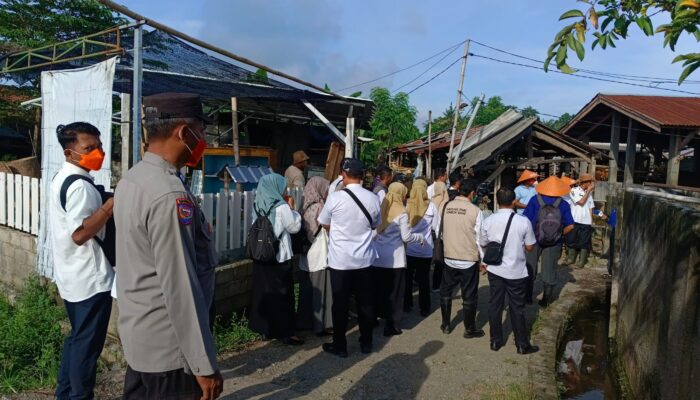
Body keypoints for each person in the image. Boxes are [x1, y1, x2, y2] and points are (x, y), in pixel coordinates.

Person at [115, 93, 222, 399]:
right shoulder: (169, 195)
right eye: (201, 132)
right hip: (170, 353)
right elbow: (180, 286)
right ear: (184, 133)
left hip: (141, 341)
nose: (203, 140)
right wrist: (203, 365)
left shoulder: (132, 180)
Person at [49, 122, 114, 400]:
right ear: (69, 152)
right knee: (87, 348)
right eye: (89, 148)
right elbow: (79, 234)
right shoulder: (81, 187)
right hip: (90, 279)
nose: (98, 152)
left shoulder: (61, 177)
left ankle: (65, 393)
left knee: (77, 339)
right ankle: (79, 396)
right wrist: (110, 206)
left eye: (99, 146)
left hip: (71, 275)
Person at [317, 158, 381, 357]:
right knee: (366, 303)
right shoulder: (373, 198)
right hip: (365, 260)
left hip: (341, 261)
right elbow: (374, 225)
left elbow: (324, 223)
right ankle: (366, 343)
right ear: (362, 176)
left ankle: (340, 345)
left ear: (344, 175)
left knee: (340, 304)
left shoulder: (335, 198)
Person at [479, 187, 539, 355]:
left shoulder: (489, 220)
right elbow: (529, 246)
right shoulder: (523, 221)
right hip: (516, 271)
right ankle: (521, 344)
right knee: (517, 307)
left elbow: (483, 243)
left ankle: (495, 341)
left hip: (495, 270)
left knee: (495, 304)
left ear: (497, 201)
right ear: (514, 202)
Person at [248, 173, 304, 345]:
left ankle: (266, 329)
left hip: (261, 255)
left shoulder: (258, 204)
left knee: (264, 293)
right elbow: (294, 228)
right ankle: (287, 333)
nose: (285, 189)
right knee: (283, 295)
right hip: (278, 255)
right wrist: (293, 209)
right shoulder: (281, 206)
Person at [372, 182, 424, 336]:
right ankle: (391, 325)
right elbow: (406, 237)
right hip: (395, 260)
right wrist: (419, 237)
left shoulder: (381, 208)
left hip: (378, 257)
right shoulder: (402, 212)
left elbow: (374, 233)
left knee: (379, 290)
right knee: (395, 293)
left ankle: (375, 318)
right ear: (401, 194)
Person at [439, 179, 485, 338]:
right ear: (472, 193)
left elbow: (440, 229)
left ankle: (445, 324)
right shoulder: (476, 211)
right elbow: (480, 239)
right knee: (469, 294)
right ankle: (469, 329)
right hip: (468, 259)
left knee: (446, 291)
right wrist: (483, 261)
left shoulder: (446, 207)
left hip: (449, 256)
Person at [523, 176, 575, 308]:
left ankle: (527, 298)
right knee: (550, 269)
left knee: (530, 267)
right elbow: (570, 226)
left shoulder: (535, 200)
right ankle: (546, 300)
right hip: (555, 242)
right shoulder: (563, 204)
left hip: (533, 240)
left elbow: (526, 220)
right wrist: (559, 235)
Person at [297, 176, 333, 336]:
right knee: (321, 290)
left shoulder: (303, 206)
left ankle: (304, 322)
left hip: (306, 254)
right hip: (319, 253)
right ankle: (320, 326)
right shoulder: (320, 207)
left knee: (306, 290)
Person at [405, 179, 439, 316]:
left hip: (408, 248)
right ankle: (424, 308)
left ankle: (407, 305)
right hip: (425, 248)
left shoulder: (406, 205)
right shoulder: (431, 207)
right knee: (424, 280)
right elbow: (436, 227)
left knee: (407, 278)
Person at [565, 174, 595, 268]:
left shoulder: (588, 193)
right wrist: (589, 191)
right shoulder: (574, 191)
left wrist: (591, 219)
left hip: (586, 221)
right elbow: (581, 202)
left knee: (584, 242)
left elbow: (590, 207)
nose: (591, 184)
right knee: (571, 239)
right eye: (589, 182)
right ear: (584, 183)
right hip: (575, 219)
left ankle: (581, 261)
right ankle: (571, 258)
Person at [430, 181, 450, 292]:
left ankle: (435, 285)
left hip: (433, 234)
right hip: (443, 235)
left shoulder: (431, 201)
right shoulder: (446, 202)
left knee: (437, 260)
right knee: (443, 261)